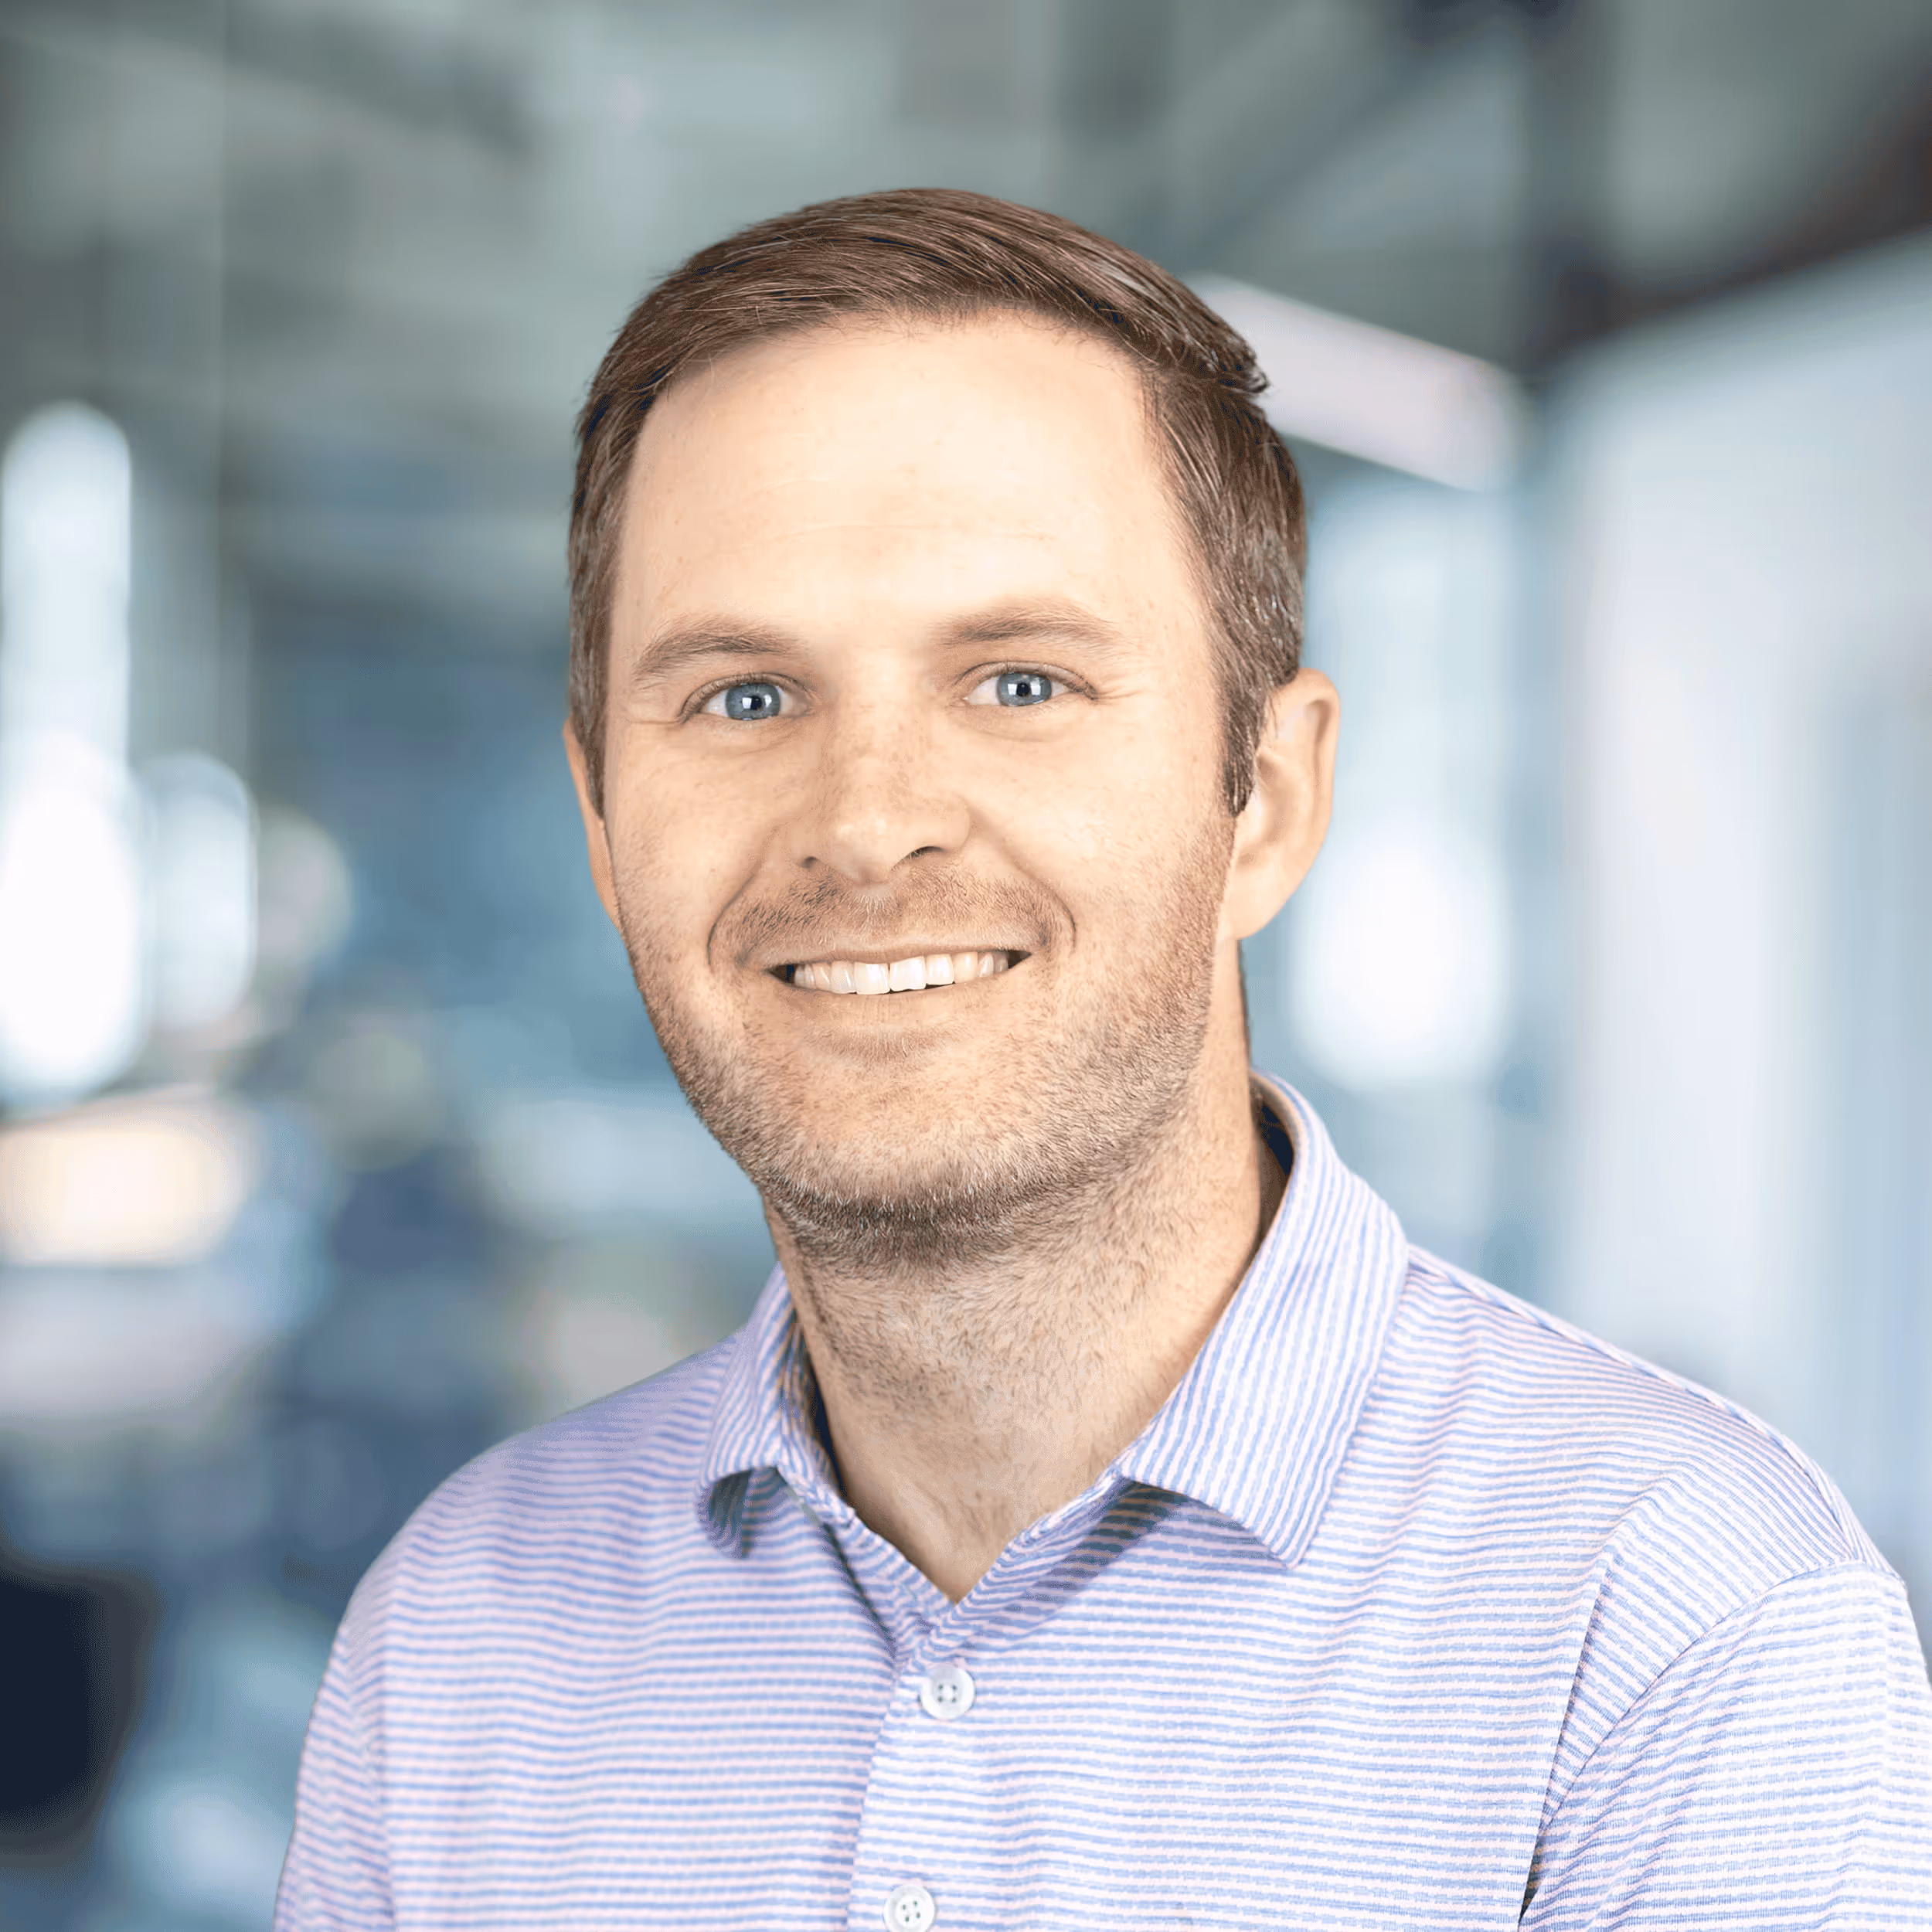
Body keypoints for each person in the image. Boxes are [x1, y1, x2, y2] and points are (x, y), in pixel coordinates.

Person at [276, 189, 1932, 1930]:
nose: (866, 823)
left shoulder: (1675, 1621)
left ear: (1267, 801)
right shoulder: (456, 1626)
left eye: (1018, 682)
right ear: (604, 823)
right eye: (744, 697)